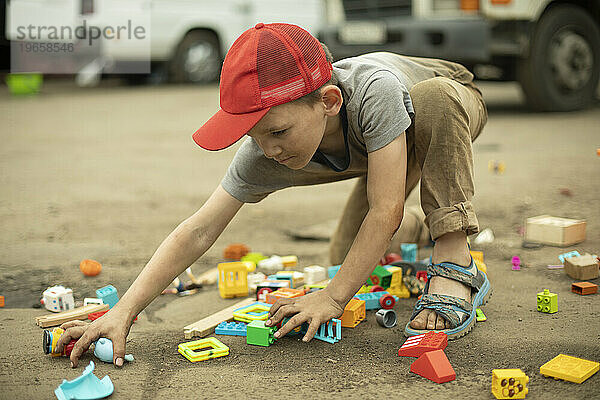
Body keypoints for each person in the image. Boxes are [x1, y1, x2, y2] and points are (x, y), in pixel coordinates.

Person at [58, 22, 491, 368]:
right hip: (382, 151)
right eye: (255, 136)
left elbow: (384, 209)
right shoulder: (265, 152)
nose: (269, 150)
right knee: (344, 260)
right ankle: (423, 231)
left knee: (432, 102)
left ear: (328, 101)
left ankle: (454, 254)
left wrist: (335, 297)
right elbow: (198, 230)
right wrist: (123, 312)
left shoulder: (372, 92)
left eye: (278, 132)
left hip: (445, 108)